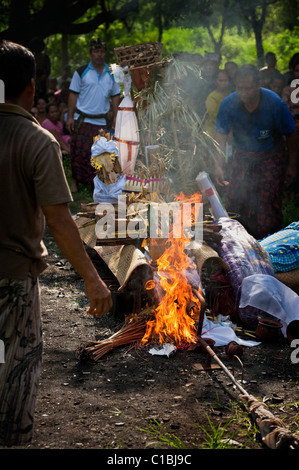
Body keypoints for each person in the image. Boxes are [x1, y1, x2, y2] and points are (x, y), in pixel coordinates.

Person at [0, 39, 112, 447]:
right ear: (32, 87)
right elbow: (61, 221)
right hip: (12, 280)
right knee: (18, 364)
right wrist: (92, 279)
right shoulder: (37, 141)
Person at [213, 64, 298, 240]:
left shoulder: (274, 102)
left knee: (267, 202)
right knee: (236, 201)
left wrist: (292, 165)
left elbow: (291, 135)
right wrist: (218, 165)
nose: (243, 93)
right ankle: (240, 242)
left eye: (247, 88)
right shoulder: (228, 104)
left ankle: (269, 242)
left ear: (258, 84)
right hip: (242, 155)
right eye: (239, 88)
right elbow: (219, 137)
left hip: (271, 155)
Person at [66, 38, 121, 192]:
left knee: (102, 153)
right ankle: (75, 182)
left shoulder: (113, 71)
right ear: (90, 53)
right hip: (82, 118)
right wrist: (70, 117)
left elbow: (116, 95)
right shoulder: (81, 71)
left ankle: (98, 183)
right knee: (78, 151)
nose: (99, 55)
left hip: (102, 120)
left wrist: (116, 116)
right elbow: (73, 95)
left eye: (102, 51)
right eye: (96, 51)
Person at [204, 70, 230, 138]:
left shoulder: (232, 95)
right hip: (214, 133)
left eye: (225, 80)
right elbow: (215, 117)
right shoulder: (212, 97)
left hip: (231, 131)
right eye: (220, 81)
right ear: (215, 81)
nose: (223, 83)